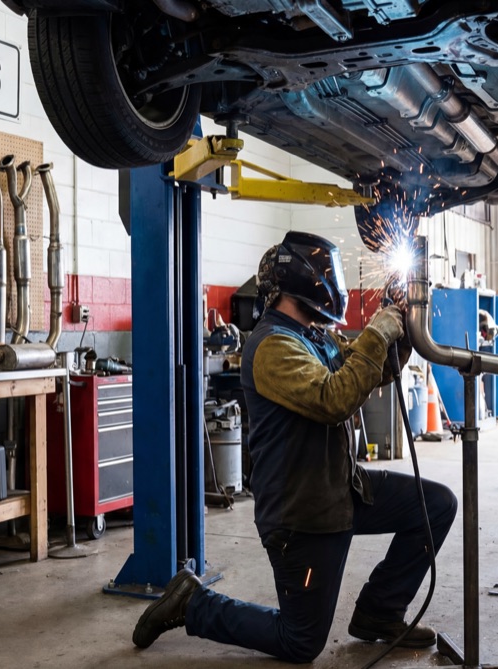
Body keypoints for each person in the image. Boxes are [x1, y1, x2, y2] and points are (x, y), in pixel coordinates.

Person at [132, 230, 458, 661]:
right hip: (302, 513)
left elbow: (368, 374)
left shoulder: (314, 335)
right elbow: (334, 399)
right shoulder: (273, 346)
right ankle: (193, 603)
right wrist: (376, 335)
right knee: (300, 641)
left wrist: (395, 337)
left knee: (435, 505)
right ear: (301, 280)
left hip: (341, 489)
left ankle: (379, 613)